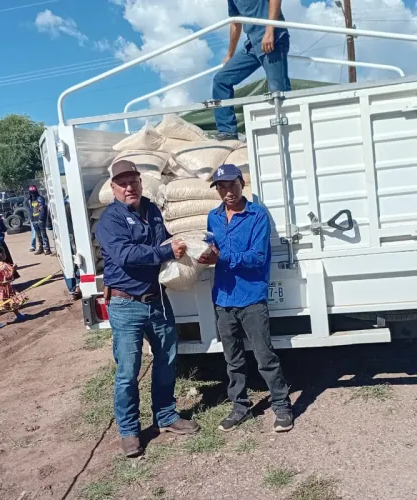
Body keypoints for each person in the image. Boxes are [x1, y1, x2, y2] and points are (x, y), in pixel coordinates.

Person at [95, 159, 198, 457]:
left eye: (133, 181)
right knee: (128, 370)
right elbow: (126, 255)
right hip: (126, 304)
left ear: (141, 183)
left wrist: (191, 250)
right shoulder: (109, 221)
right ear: (113, 188)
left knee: (167, 360)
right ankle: (129, 431)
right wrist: (166, 251)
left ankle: (165, 415)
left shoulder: (151, 210)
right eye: (123, 183)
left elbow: (165, 239)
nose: (129, 187)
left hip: (157, 300)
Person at [199, 164, 293, 433]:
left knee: (265, 356)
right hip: (223, 298)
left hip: (251, 297)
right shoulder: (214, 217)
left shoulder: (257, 215)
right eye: (221, 187)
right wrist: (204, 255)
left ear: (242, 183)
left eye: (232, 185)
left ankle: (282, 406)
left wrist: (222, 257)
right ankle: (240, 407)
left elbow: (258, 257)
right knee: (233, 359)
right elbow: (213, 249)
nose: (228, 192)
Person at [212, 0, 289, 141]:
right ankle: (227, 131)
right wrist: (230, 54)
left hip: (273, 39)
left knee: (277, 89)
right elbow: (235, 22)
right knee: (221, 80)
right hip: (252, 45)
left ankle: (288, 131)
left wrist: (270, 31)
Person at [0, 245, 27, 328]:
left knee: (11, 302)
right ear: (0, 255)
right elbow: (9, 277)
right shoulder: (4, 265)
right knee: (1, 306)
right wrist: (13, 269)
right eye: (4, 253)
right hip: (5, 289)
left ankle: (18, 315)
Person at [27, 185, 51, 255]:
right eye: (31, 192)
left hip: (40, 220)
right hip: (34, 220)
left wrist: (41, 218)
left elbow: (42, 208)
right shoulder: (30, 200)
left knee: (43, 234)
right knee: (38, 235)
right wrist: (31, 219)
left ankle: (47, 249)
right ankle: (41, 248)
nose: (32, 194)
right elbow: (30, 210)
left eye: (33, 192)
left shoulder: (40, 198)